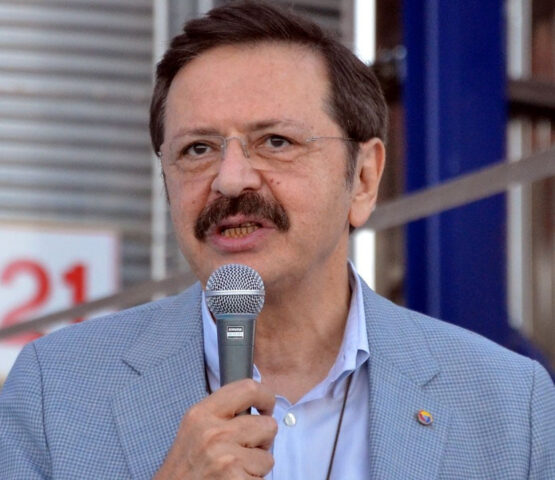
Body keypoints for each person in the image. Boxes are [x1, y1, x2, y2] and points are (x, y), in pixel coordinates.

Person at [1, 1, 554, 479]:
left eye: (275, 141)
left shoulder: (511, 404)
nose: (230, 179)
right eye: (198, 149)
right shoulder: (57, 389)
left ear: (363, 179)